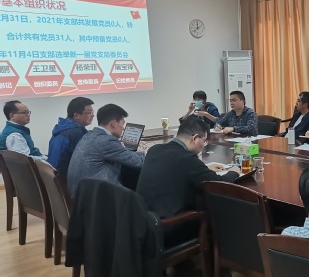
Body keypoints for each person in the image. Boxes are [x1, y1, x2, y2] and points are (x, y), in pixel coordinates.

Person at [137, 118, 240, 247]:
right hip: (166, 229)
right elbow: (218, 183)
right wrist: (234, 172)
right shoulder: (188, 160)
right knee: (213, 217)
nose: (203, 145)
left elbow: (174, 169)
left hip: (143, 223)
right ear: (195, 138)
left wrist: (202, 169)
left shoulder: (155, 150)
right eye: (204, 141)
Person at [67, 104, 145, 197]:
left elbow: (125, 154)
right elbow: (139, 162)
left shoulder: (91, 135)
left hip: (81, 195)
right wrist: (149, 154)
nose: (123, 128)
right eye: (122, 123)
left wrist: (142, 153)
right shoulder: (106, 141)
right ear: (114, 123)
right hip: (96, 198)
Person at [47, 97, 95, 178]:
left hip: (54, 178)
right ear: (76, 115)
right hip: (66, 180)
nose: (93, 116)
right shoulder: (75, 133)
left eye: (93, 112)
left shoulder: (61, 129)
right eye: (89, 113)